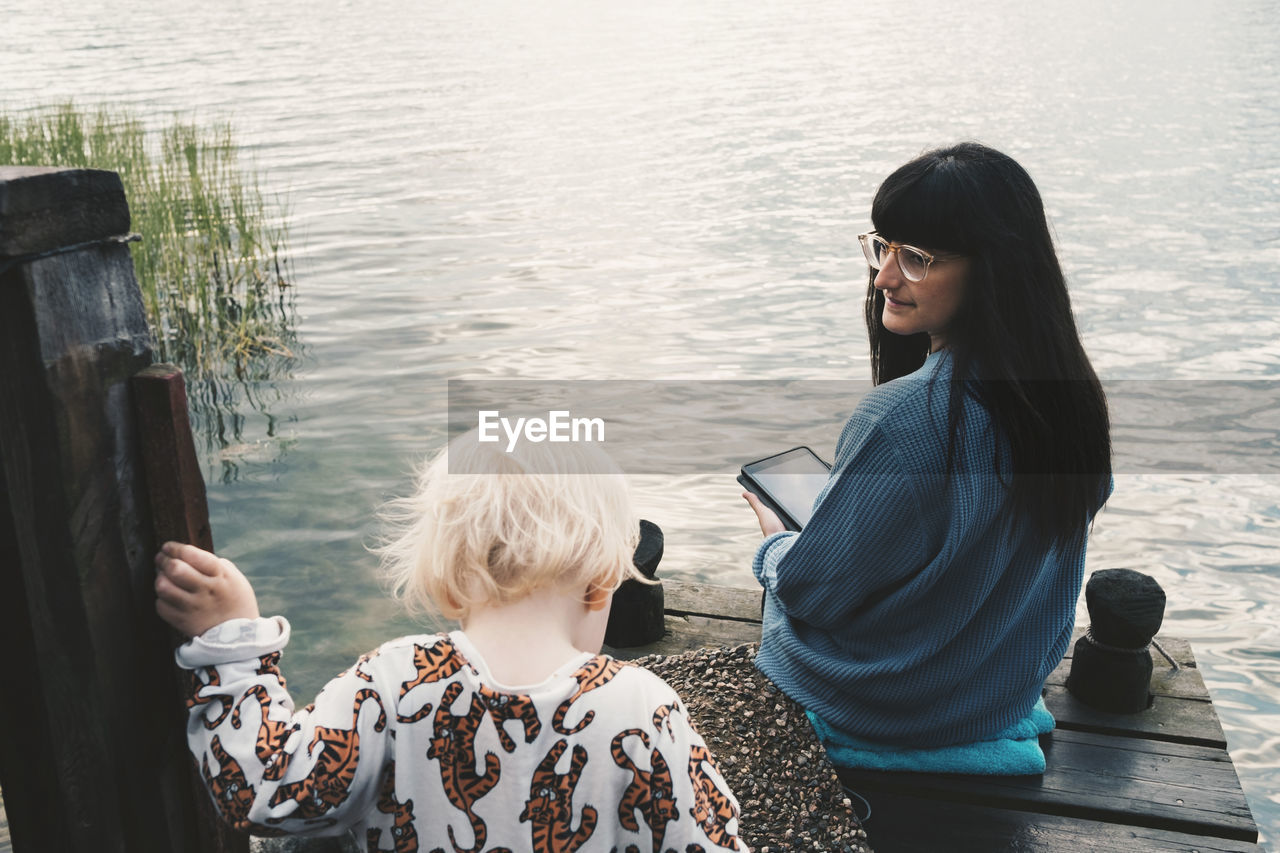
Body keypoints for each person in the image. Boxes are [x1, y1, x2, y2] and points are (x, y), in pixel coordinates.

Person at [157, 430, 744, 851]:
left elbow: (262, 791)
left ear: (447, 585)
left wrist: (234, 644)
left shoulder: (391, 683)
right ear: (599, 587)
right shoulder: (644, 707)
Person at [742, 142, 1112, 751]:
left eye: (917, 258)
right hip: (998, 693)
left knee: (783, 591)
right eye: (883, 246)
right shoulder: (1069, 403)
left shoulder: (901, 417)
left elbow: (813, 592)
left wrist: (777, 542)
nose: (885, 275)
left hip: (891, 707)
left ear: (994, 268)